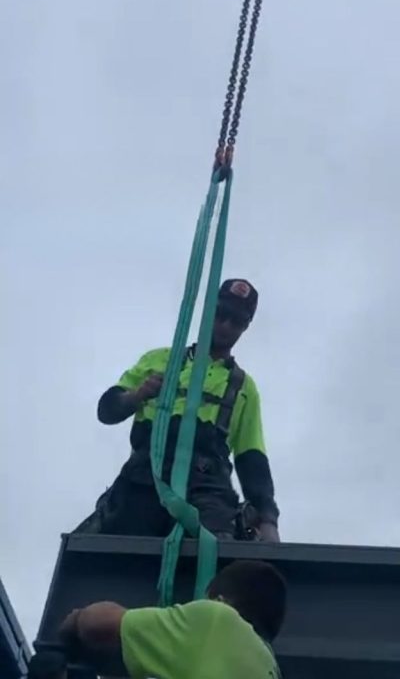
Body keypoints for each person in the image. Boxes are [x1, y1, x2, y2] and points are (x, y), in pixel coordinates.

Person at [76, 278, 279, 542]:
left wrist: (267, 520)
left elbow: (252, 458)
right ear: (209, 311)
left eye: (237, 321)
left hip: (208, 489)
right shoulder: (158, 360)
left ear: (246, 326)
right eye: (221, 314)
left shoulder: (244, 388)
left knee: (220, 547)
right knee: (115, 547)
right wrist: (137, 395)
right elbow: (107, 411)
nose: (226, 325)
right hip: (144, 479)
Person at [58, 560, 286, 679]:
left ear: (220, 600)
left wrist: (76, 618)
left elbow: (97, 624)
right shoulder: (269, 668)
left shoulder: (218, 619)